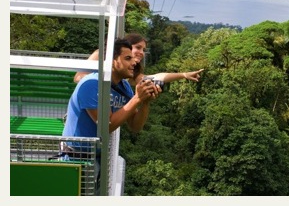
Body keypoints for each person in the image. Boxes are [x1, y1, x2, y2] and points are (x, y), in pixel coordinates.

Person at [62, 37, 162, 194]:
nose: (134, 62)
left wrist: (145, 102)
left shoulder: (123, 87)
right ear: (113, 61)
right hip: (77, 158)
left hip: (99, 155)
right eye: (128, 58)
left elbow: (135, 126)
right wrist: (137, 98)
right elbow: (106, 125)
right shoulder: (92, 84)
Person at [74, 32, 204, 86]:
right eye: (138, 47)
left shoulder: (129, 71)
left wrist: (184, 75)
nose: (141, 53)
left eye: (143, 50)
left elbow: (154, 78)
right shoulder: (101, 54)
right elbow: (78, 78)